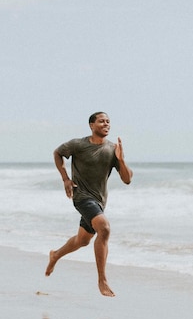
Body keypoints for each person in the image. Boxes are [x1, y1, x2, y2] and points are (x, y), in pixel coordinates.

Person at [45, 112, 133, 297]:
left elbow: (127, 180)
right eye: (101, 121)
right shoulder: (78, 145)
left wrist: (121, 159)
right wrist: (65, 179)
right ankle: (102, 280)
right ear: (91, 125)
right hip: (81, 196)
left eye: (108, 121)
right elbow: (58, 153)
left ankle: (55, 255)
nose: (106, 124)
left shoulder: (112, 149)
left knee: (83, 240)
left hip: (99, 201)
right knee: (105, 228)